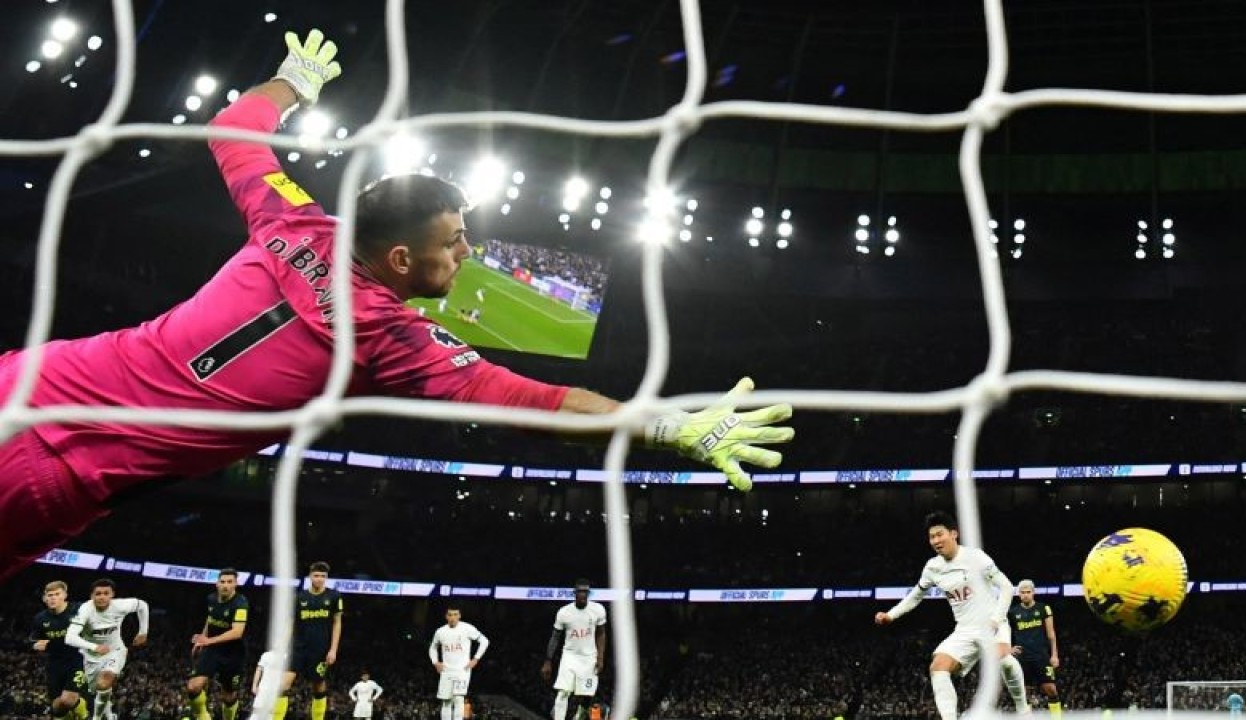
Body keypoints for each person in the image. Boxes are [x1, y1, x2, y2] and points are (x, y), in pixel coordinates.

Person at [0, 27, 794, 584]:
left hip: (27, 379)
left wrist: (294, 85)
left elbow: (234, 126)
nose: (470, 251)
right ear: (402, 257)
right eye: (456, 239)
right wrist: (665, 427)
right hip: (50, 473)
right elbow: (543, 401)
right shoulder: (391, 340)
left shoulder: (286, 214)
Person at [874, 511, 1029, 720]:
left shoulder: (976, 557)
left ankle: (1023, 710)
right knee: (938, 667)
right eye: (932, 537)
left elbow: (1007, 588)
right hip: (965, 629)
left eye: (940, 534)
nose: (936, 540)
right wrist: (890, 615)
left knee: (1002, 659)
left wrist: (996, 619)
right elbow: (916, 595)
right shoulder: (933, 567)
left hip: (992, 622)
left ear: (954, 533)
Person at [63, 579, 149, 720]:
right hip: (91, 657)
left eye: (106, 593)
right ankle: (110, 716)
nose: (102, 597)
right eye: (98, 594)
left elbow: (142, 605)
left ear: (112, 595)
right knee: (98, 690)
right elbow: (69, 638)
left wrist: (143, 631)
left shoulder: (120, 606)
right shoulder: (85, 610)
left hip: (115, 651)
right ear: (92, 596)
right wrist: (95, 647)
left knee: (104, 682)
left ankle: (96, 718)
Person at [272, 561, 343, 720]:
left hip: (320, 649)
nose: (319, 579)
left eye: (323, 576)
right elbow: (290, 622)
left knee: (318, 686)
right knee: (282, 685)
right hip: (298, 647)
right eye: (316, 575)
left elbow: (337, 622)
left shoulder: (334, 596)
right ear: (310, 576)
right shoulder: (299, 597)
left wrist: (333, 649)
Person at [186, 568, 249, 720]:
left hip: (233, 654)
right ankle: (203, 717)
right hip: (212, 650)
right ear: (217, 584)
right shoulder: (211, 599)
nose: (225, 585)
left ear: (236, 584)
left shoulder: (241, 603)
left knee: (228, 696)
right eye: (222, 582)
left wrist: (208, 640)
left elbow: (237, 632)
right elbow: (210, 619)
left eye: (229, 582)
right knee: (193, 687)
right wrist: (202, 638)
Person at [541, 579, 608, 720]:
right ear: (574, 593)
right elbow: (555, 637)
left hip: (589, 657)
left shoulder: (598, 610)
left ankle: (578, 717)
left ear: (588, 593)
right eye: (580, 591)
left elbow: (601, 633)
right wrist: (548, 661)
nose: (583, 594)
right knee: (563, 692)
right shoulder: (564, 613)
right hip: (569, 656)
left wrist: (600, 657)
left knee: (587, 694)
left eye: (585, 591)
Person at [30, 580, 90, 720]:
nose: (53, 598)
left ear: (65, 595)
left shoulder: (78, 610)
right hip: (55, 664)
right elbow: (32, 640)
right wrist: (35, 645)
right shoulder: (40, 619)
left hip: (78, 659)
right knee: (57, 708)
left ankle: (85, 715)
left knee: (68, 699)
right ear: (45, 598)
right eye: (50, 595)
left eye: (57, 594)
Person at [1008, 579, 1061, 717]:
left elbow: (1051, 634)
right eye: (1022, 592)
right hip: (1022, 657)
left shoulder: (1043, 608)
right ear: (1018, 594)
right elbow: (1003, 632)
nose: (1025, 595)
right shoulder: (1012, 613)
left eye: (1028, 592)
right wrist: (1009, 648)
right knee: (1024, 692)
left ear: (1033, 593)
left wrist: (1054, 655)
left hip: (1041, 656)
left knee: (1051, 689)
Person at [430, 605, 489, 720]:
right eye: (450, 614)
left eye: (455, 614)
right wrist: (435, 662)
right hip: (446, 671)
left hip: (462, 670)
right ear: (446, 616)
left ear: (460, 616)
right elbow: (432, 648)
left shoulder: (467, 628)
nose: (453, 617)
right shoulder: (440, 631)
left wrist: (476, 658)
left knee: (458, 699)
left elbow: (484, 641)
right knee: (446, 701)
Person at [251, 648, 288, 717]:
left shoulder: (286, 656)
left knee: (272, 715)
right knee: (256, 714)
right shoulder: (266, 655)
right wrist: (254, 685)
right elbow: (259, 670)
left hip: (276, 692)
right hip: (263, 690)